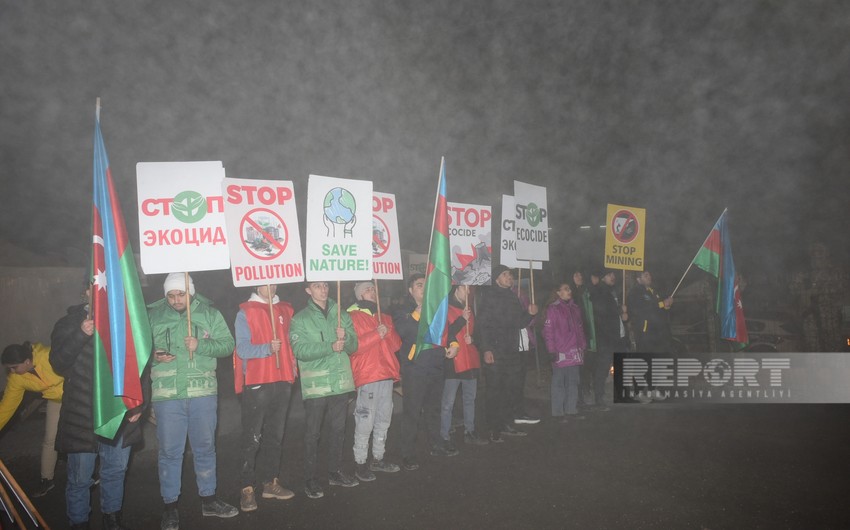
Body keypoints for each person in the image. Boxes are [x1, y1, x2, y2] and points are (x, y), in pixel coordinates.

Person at [51, 281, 148, 530]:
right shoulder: (69, 323)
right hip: (81, 415)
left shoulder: (125, 321)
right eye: (93, 287)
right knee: (80, 478)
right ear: (85, 291)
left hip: (118, 413)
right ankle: (78, 522)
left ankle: (112, 519)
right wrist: (81, 333)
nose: (100, 292)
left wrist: (139, 404)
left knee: (115, 471)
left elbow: (141, 367)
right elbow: (58, 363)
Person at [148, 273, 238, 530]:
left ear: (192, 293)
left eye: (181, 294)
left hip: (203, 393)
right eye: (171, 295)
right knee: (169, 453)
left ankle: (209, 499)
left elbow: (227, 345)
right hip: (167, 396)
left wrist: (201, 344)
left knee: (205, 448)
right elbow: (139, 351)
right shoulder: (153, 315)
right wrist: (154, 356)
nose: (176, 300)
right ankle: (170, 507)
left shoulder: (209, 313)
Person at [290, 281, 359, 499]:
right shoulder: (300, 318)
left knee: (338, 430)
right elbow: (299, 350)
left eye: (326, 285)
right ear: (308, 290)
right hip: (316, 386)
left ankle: (334, 471)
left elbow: (354, 346)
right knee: (313, 433)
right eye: (317, 286)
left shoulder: (341, 314)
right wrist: (328, 346)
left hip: (340, 382)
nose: (323, 289)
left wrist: (345, 337)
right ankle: (310, 479)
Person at [233, 284, 297, 512]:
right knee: (252, 439)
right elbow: (241, 349)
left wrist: (293, 367)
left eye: (273, 281)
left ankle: (271, 482)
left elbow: (291, 343)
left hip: (282, 379)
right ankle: (246, 488)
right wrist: (266, 349)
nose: (269, 286)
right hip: (258, 380)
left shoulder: (285, 310)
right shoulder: (245, 312)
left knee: (275, 436)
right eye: (264, 282)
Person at [395, 273, 459, 471]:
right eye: (419, 285)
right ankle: (407, 454)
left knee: (433, 409)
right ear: (410, 290)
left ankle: (436, 445)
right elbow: (405, 331)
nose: (423, 288)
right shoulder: (402, 310)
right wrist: (417, 313)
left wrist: (454, 344)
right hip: (415, 368)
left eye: (425, 285)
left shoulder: (438, 308)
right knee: (412, 412)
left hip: (436, 365)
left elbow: (447, 331)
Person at [346, 281, 402, 482]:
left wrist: (386, 333)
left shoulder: (384, 316)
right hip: (368, 374)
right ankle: (360, 463)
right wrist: (376, 334)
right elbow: (353, 347)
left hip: (386, 373)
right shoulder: (351, 316)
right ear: (359, 295)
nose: (372, 291)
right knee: (365, 421)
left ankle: (378, 458)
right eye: (368, 289)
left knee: (383, 419)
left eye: (373, 288)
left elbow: (396, 345)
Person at [476, 265, 539, 442]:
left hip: (511, 350)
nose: (509, 277)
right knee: (494, 390)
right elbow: (482, 325)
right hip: (495, 351)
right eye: (505, 275)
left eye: (510, 275)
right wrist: (486, 349)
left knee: (508, 389)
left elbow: (519, 322)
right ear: (497, 279)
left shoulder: (512, 297)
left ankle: (505, 423)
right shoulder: (489, 297)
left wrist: (529, 313)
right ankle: (493, 428)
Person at [1, 341, 64, 498]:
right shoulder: (16, 378)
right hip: (56, 400)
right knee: (50, 439)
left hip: (75, 394)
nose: (11, 371)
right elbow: (7, 407)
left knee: (84, 434)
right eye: (9, 368)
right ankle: (47, 479)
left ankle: (93, 470)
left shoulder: (48, 356)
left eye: (14, 367)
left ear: (27, 362)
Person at [440, 285, 488, 447]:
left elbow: (478, 334)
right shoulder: (445, 309)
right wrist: (462, 319)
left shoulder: (468, 309)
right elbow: (445, 333)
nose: (468, 291)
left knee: (470, 399)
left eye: (469, 289)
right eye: (465, 288)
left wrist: (473, 340)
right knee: (448, 402)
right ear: (456, 289)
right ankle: (443, 435)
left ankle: (470, 431)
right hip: (453, 362)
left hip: (470, 360)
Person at [542, 283, 587, 422]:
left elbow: (579, 329)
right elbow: (548, 332)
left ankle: (571, 410)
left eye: (569, 288)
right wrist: (551, 350)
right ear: (558, 292)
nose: (569, 291)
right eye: (566, 289)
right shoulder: (553, 309)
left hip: (574, 351)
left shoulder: (575, 308)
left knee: (573, 382)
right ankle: (557, 413)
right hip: (560, 351)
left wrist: (583, 346)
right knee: (559, 383)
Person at [590, 269, 629, 409]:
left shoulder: (613, 291)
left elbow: (614, 313)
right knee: (602, 369)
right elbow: (602, 314)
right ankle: (599, 398)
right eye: (609, 274)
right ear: (602, 277)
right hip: (607, 339)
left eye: (613, 274)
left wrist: (623, 314)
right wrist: (618, 311)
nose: (613, 277)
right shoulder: (599, 291)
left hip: (618, 336)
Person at [510, 281, 541, 425]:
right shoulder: (506, 298)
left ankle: (518, 411)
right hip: (511, 346)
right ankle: (512, 412)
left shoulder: (520, 295)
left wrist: (532, 314)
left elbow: (529, 322)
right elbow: (515, 321)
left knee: (520, 381)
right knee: (513, 382)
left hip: (523, 344)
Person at [627, 271, 674, 353]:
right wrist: (662, 303)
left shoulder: (653, 291)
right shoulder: (635, 292)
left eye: (649, 275)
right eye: (646, 275)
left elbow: (658, 309)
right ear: (638, 279)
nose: (649, 277)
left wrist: (666, 306)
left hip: (658, 333)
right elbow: (642, 308)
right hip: (645, 334)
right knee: (647, 358)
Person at [572, 271, 596, 407]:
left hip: (585, 334)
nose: (579, 278)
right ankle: (578, 396)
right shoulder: (569, 294)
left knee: (585, 365)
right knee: (577, 367)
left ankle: (585, 392)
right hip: (573, 336)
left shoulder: (587, 292)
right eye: (576, 275)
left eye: (581, 275)